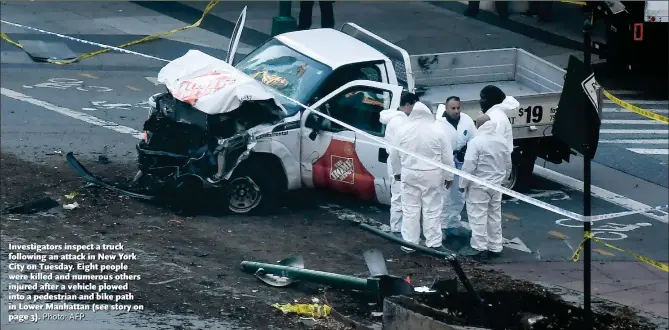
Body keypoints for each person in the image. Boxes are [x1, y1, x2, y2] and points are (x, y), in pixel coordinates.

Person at [389, 101, 455, 253]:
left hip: (409, 174)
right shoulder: (438, 130)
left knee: (410, 210)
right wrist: (449, 176)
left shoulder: (402, 130)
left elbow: (394, 155)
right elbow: (447, 157)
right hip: (432, 175)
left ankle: (409, 244)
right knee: (432, 209)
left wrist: (397, 172)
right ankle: (433, 243)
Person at [458, 114, 512, 259]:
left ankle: (479, 247)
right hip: (496, 186)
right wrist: (504, 180)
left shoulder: (476, 142)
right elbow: (508, 164)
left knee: (478, 216)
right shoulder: (502, 141)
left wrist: (462, 184)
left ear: (478, 125)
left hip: (478, 186)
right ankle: (495, 246)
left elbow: (469, 165)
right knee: (494, 215)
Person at [435, 96, 477, 238]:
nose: (456, 111)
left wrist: (465, 152)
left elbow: (474, 140)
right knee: (444, 196)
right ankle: (442, 226)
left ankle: (453, 224)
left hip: (461, 163)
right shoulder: (439, 124)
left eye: (458, 108)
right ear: (446, 108)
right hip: (444, 164)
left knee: (459, 196)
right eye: (453, 108)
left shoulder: (467, 121)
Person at [379, 92, 418, 238]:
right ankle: (397, 228)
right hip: (398, 162)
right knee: (399, 195)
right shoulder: (400, 122)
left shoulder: (397, 119)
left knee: (399, 194)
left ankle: (398, 227)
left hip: (398, 161)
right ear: (407, 105)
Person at [479, 85, 518, 154]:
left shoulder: (496, 119)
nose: (480, 101)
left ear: (491, 100)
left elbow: (494, 146)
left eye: (483, 98)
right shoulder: (495, 113)